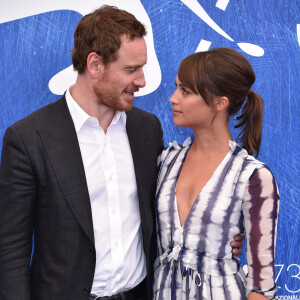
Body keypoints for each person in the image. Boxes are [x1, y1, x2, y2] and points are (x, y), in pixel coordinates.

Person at [0, 6, 244, 300]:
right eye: (131, 70)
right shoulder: (29, 138)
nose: (141, 81)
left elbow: (171, 203)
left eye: (142, 68)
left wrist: (218, 234)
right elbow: (10, 249)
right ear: (94, 65)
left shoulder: (146, 128)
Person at [153, 48, 280, 300]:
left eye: (185, 91)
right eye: (177, 87)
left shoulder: (252, 176)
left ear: (220, 103)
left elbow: (261, 286)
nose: (172, 98)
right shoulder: (165, 160)